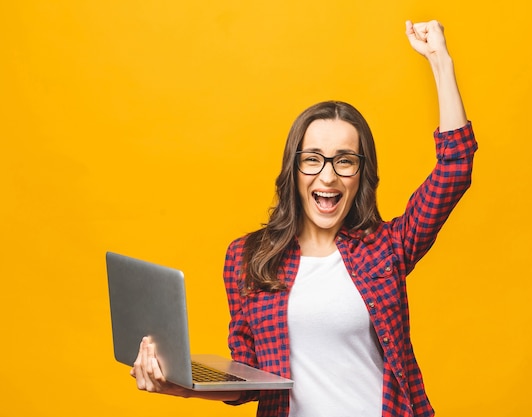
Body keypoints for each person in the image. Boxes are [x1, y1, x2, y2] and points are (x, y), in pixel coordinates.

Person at [131, 19, 478, 417]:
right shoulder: (248, 258)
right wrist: (179, 384)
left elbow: (456, 166)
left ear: (361, 175)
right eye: (313, 160)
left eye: (344, 161)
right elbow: (248, 379)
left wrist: (440, 60)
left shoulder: (387, 248)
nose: (327, 176)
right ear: (293, 170)